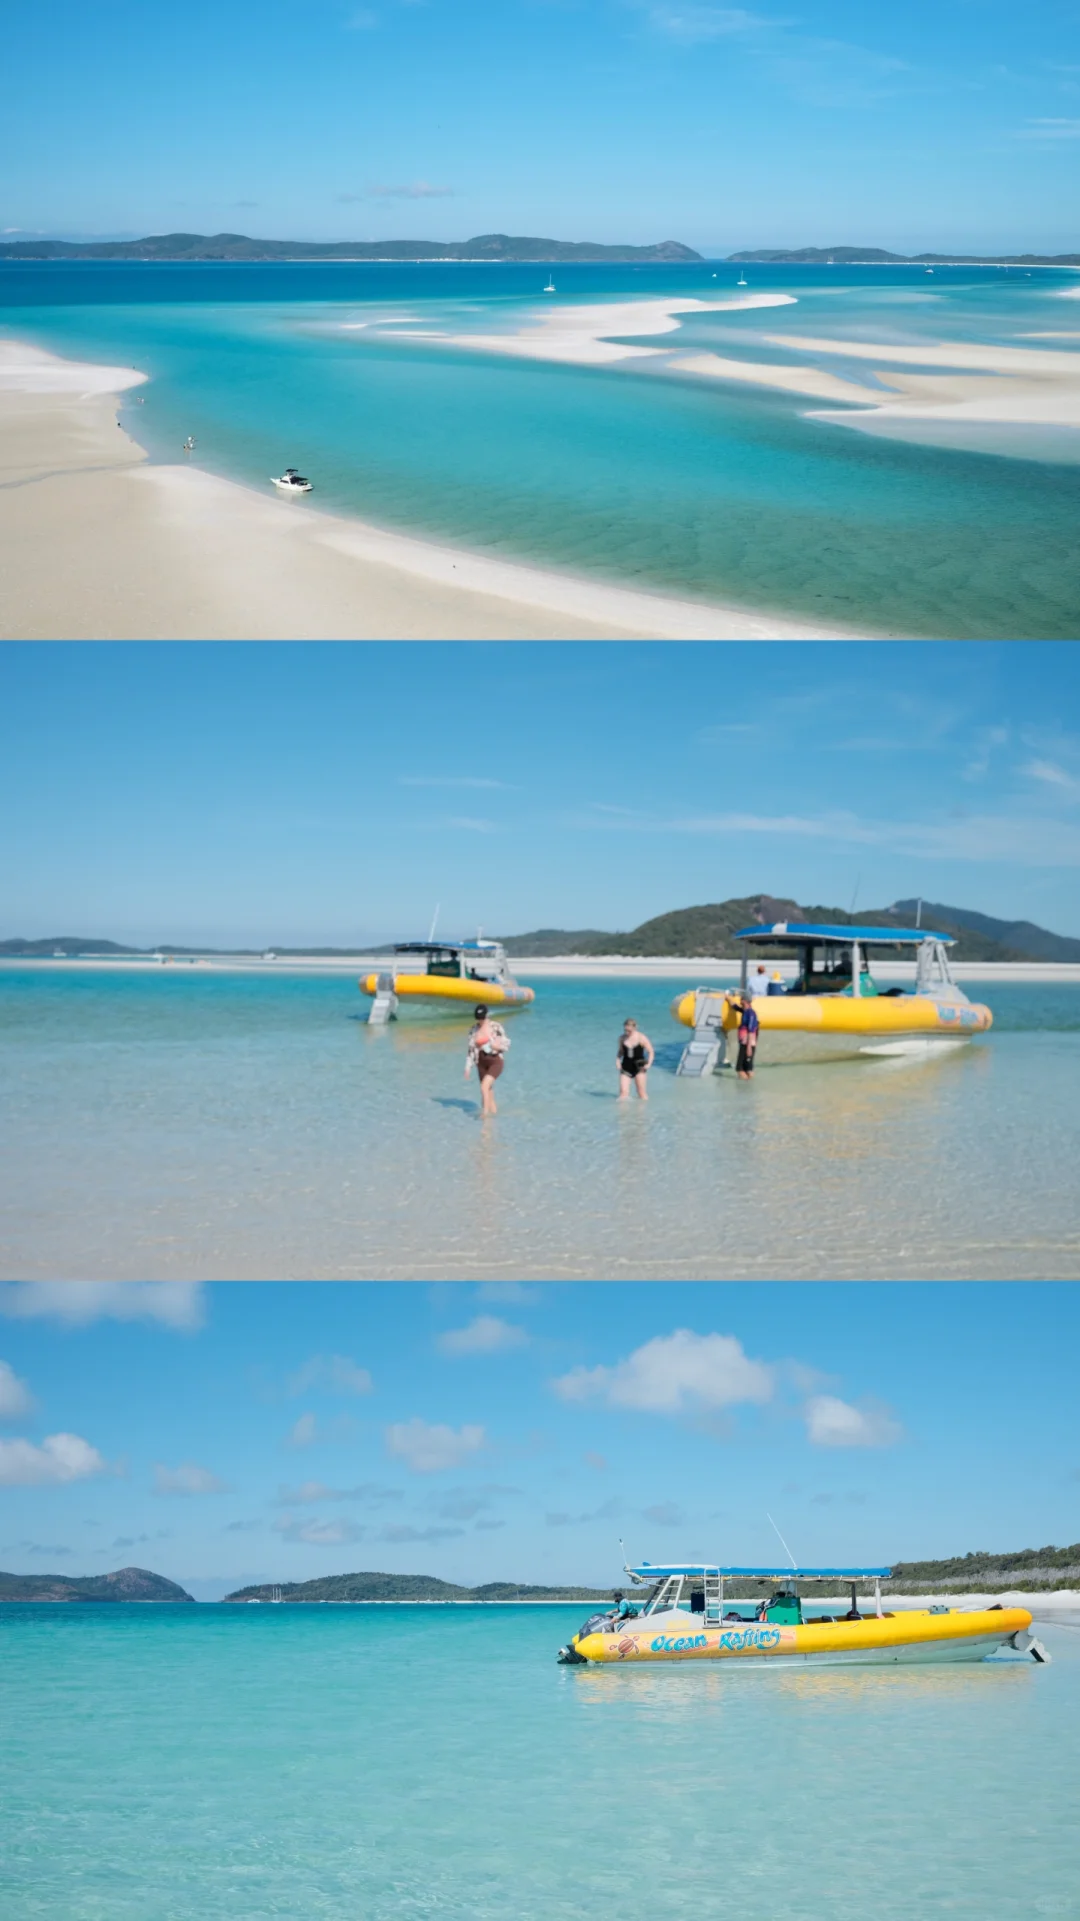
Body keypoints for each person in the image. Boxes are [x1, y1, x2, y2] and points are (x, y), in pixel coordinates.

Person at [465, 1003, 509, 1116]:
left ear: (487, 1015)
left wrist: (497, 1047)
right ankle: (493, 1117)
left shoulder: (496, 1027)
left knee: (484, 1086)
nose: (481, 1021)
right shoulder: (473, 1030)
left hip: (495, 1061)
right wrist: (468, 1067)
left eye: (482, 1018)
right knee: (488, 1091)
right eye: (478, 1019)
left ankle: (484, 1114)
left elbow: (506, 1044)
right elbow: (470, 1050)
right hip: (481, 1063)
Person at [617, 1017, 654, 1100]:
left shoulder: (641, 1038)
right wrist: (617, 1061)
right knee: (623, 1093)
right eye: (625, 1030)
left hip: (639, 1066)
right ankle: (622, 1108)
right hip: (626, 1066)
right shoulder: (621, 1038)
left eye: (629, 1031)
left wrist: (649, 1064)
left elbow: (651, 1051)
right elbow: (620, 1052)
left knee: (641, 1093)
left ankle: (644, 1108)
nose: (627, 1033)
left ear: (635, 1028)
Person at [735, 994, 759, 1080]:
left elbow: (751, 1031)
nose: (740, 1000)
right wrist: (727, 998)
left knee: (740, 1069)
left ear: (745, 1001)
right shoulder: (745, 1011)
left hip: (747, 1044)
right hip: (745, 1043)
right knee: (747, 1068)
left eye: (741, 999)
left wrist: (748, 1048)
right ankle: (749, 1086)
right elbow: (735, 1007)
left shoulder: (751, 1014)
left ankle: (746, 1085)